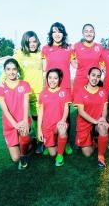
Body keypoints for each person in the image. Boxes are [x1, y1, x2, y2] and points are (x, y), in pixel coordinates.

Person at [0, 31, 43, 145]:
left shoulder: (41, 53)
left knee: (37, 118)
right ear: (25, 42)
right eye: (29, 42)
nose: (32, 44)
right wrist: (0, 82)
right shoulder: (20, 54)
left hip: (38, 92)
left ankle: (40, 141)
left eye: (34, 41)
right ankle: (27, 140)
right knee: (22, 118)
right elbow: (9, 65)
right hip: (22, 93)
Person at [42, 22, 75, 155]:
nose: (57, 34)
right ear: (51, 34)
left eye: (60, 31)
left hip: (65, 86)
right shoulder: (45, 49)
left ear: (63, 34)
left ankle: (65, 142)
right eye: (54, 31)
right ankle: (47, 142)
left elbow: (77, 64)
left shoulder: (69, 49)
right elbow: (43, 68)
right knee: (48, 116)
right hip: (49, 87)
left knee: (65, 117)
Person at [0, 58, 32, 170]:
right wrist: (15, 125)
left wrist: (25, 121)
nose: (11, 72)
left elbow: (26, 103)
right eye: (8, 69)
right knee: (15, 158)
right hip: (10, 125)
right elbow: (5, 110)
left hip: (23, 121)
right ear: (4, 71)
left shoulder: (24, 84)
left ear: (18, 70)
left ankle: (25, 153)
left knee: (23, 145)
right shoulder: (0, 87)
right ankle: (30, 141)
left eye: (14, 69)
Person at [74, 67, 109, 168]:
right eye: (93, 75)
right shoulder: (80, 91)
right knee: (87, 153)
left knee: (103, 127)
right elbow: (81, 112)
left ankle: (101, 157)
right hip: (85, 124)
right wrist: (95, 121)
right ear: (88, 76)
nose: (95, 78)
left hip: (98, 123)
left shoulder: (103, 91)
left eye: (98, 76)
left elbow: (105, 108)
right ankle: (95, 141)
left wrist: (102, 118)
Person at [37, 68, 71, 167]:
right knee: (52, 153)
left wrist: (63, 121)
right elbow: (41, 112)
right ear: (47, 79)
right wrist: (39, 130)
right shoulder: (43, 93)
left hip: (59, 123)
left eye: (55, 78)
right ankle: (50, 145)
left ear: (59, 79)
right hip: (47, 126)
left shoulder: (64, 92)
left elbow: (66, 109)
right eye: (50, 78)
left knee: (62, 129)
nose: (52, 80)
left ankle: (60, 156)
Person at [72, 24, 103, 95]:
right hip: (80, 81)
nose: (89, 34)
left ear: (94, 33)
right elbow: (72, 61)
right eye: (86, 31)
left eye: (91, 31)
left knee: (93, 105)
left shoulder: (100, 47)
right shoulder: (76, 46)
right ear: (83, 33)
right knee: (77, 105)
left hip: (94, 82)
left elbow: (102, 66)